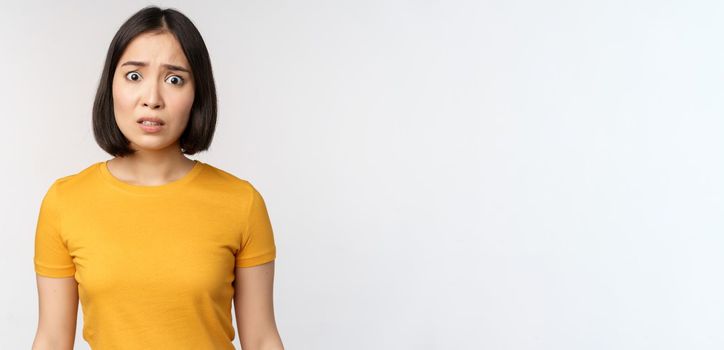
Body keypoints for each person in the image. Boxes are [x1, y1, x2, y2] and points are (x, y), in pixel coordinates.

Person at [31, 6, 284, 350]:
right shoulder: (65, 201)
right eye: (134, 76)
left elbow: (261, 339)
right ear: (111, 85)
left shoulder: (241, 202)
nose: (152, 99)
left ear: (197, 94)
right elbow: (52, 340)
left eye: (174, 79)